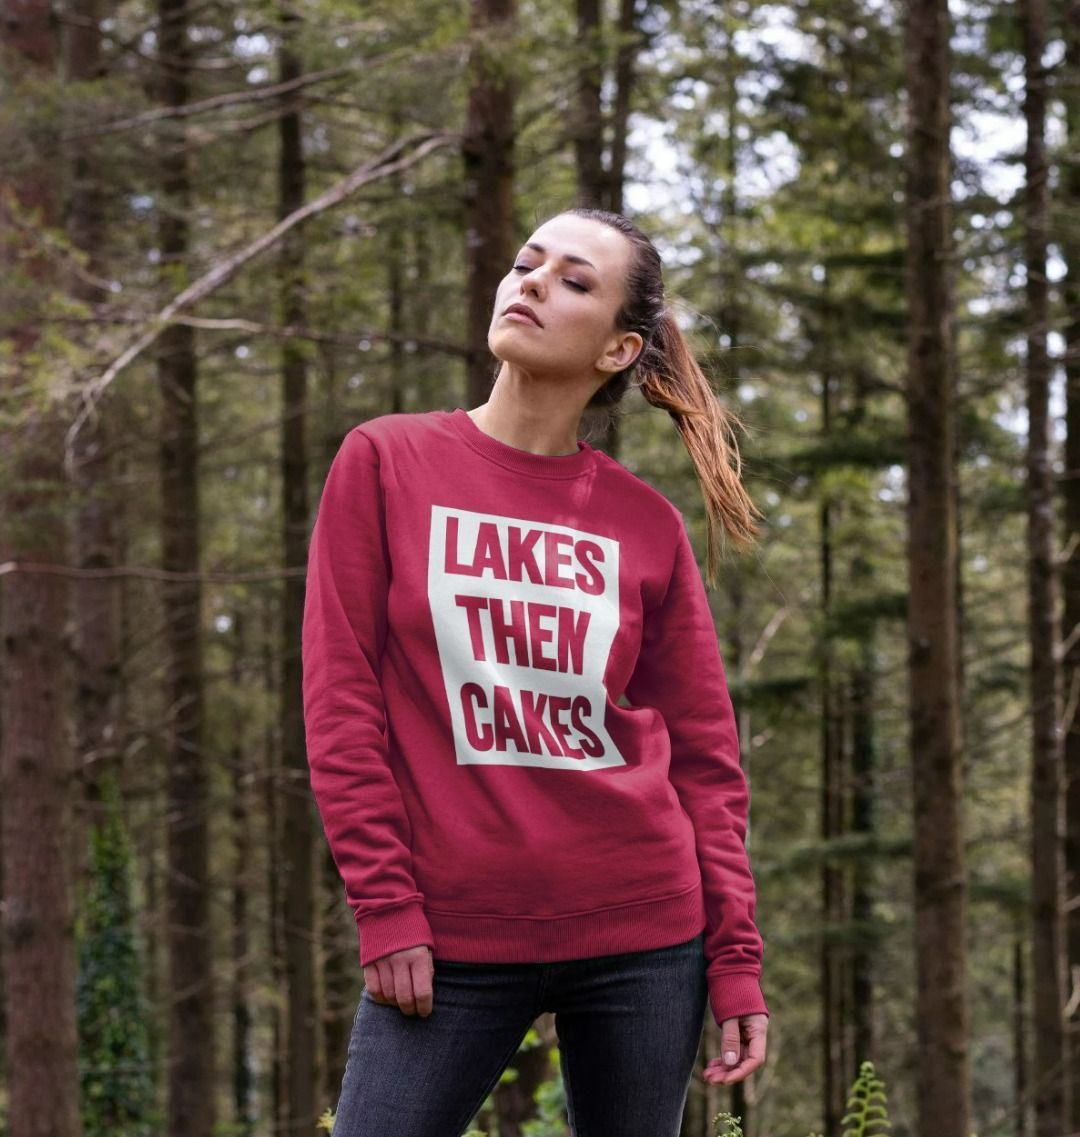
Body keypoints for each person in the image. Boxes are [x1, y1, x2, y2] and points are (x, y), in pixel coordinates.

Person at [301, 207, 770, 1137]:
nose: (532, 282)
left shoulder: (646, 525)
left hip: (644, 933)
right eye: (526, 263)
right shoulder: (386, 460)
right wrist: (386, 904)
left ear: (617, 349)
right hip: (450, 932)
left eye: (574, 280)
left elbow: (705, 760)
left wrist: (736, 957)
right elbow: (341, 701)